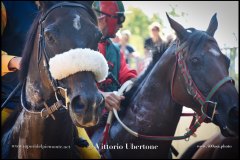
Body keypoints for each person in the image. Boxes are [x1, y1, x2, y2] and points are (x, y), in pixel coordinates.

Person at [1, 2, 101, 159]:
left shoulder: (64, 6)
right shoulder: (6, 5)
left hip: (59, 105)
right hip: (7, 102)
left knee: (93, 155)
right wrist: (15, 62)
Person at [91, 1, 137, 123]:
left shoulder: (115, 50)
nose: (121, 26)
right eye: (120, 19)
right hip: (83, 122)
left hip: (110, 120)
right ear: (104, 18)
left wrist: (137, 82)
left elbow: (127, 75)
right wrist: (100, 97)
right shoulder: (81, 45)